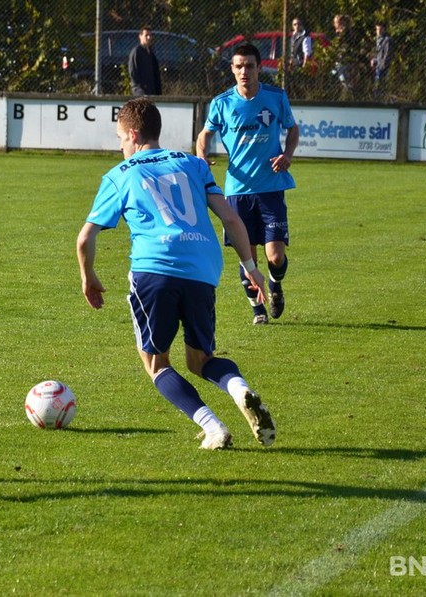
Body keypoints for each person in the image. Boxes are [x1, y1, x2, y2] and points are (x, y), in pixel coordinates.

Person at [77, 97, 276, 450]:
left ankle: (214, 428)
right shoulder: (194, 164)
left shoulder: (119, 175)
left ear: (134, 135)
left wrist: (88, 276)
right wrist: (251, 268)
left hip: (154, 270)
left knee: (156, 364)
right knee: (201, 360)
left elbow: (85, 237)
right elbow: (230, 218)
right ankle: (238, 387)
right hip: (202, 270)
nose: (121, 146)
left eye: (121, 138)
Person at [196, 43, 299, 326]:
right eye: (239, 66)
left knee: (275, 256)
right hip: (238, 191)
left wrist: (287, 155)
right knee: (247, 257)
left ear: (258, 68)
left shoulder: (275, 97)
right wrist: (202, 157)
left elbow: (293, 128)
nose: (244, 71)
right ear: (232, 69)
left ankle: (275, 285)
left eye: (249, 66)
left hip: (271, 188)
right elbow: (204, 135)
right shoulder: (222, 103)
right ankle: (258, 310)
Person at [128, 27, 162, 96]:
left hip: (152, 91)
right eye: (146, 35)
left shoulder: (151, 53)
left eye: (150, 35)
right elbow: (133, 72)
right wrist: (139, 90)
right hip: (141, 92)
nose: (149, 37)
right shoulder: (136, 51)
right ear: (140, 36)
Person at [371, 21, 393, 92]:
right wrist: (374, 59)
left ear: (384, 29)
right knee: (376, 83)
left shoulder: (387, 40)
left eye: (380, 29)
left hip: (383, 66)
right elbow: (377, 52)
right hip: (377, 65)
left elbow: (387, 54)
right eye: (377, 29)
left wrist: (383, 65)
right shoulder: (377, 39)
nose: (379, 31)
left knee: (380, 84)